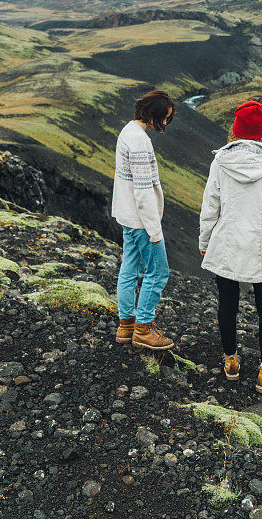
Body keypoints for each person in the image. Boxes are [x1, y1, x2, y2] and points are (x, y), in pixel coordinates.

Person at [199, 99, 262, 393]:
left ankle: (231, 361)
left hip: (226, 243)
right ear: (261, 132)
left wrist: (205, 241)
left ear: (236, 130)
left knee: (227, 303)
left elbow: (210, 208)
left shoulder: (220, 162)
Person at [112, 89, 177, 350]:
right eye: (164, 117)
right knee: (158, 271)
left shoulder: (127, 131)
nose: (164, 123)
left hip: (127, 216)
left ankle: (126, 325)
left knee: (129, 270)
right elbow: (142, 189)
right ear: (152, 113)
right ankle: (143, 328)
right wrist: (154, 229)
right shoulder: (139, 141)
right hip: (141, 220)